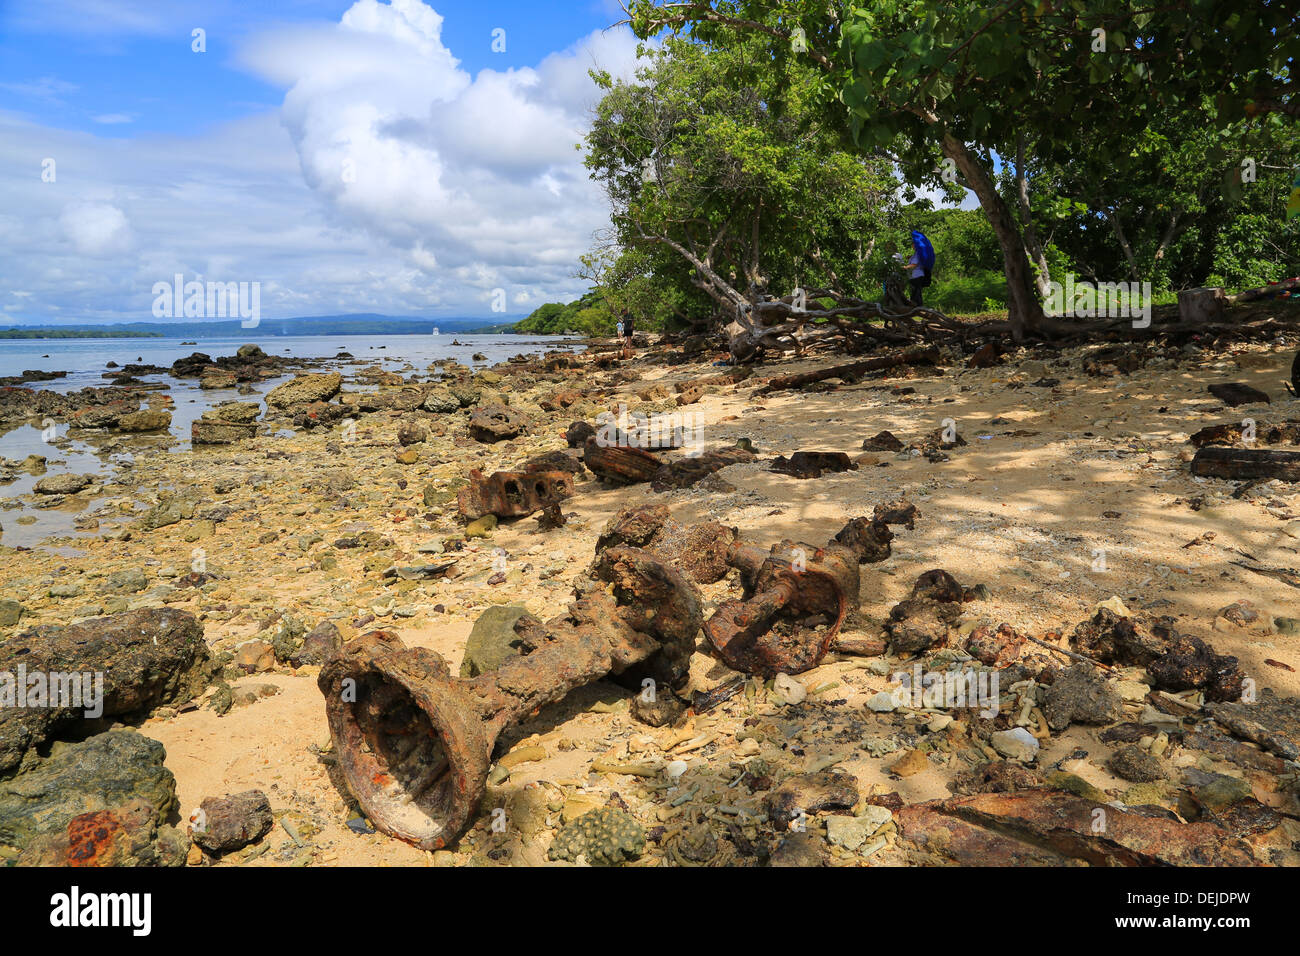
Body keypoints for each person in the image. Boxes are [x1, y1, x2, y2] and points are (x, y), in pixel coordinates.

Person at [905, 229, 935, 307]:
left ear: (915, 245)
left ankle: (918, 307)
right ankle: (916, 307)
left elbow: (914, 264)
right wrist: (910, 257)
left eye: (913, 244)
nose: (912, 245)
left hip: (916, 276)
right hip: (915, 276)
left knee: (916, 293)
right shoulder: (916, 254)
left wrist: (905, 267)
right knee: (915, 292)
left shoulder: (918, 254)